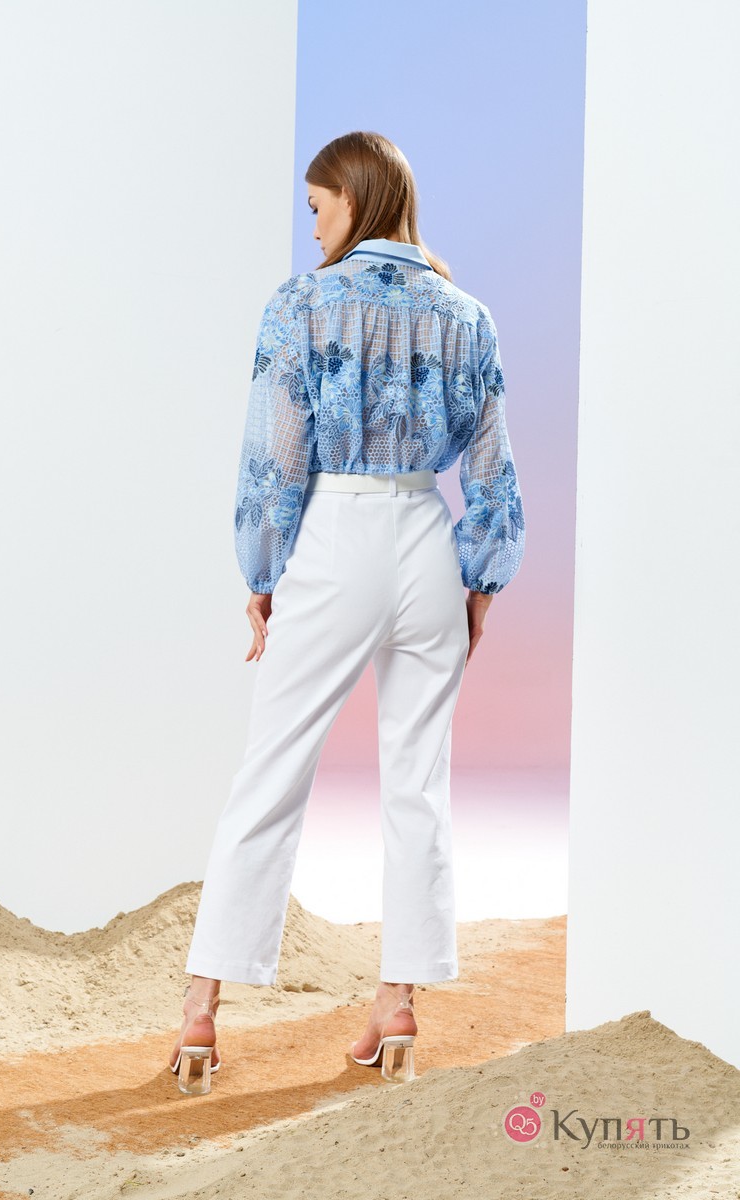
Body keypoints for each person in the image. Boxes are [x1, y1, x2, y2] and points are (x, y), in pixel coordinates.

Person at [170, 130, 525, 1093]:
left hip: (336, 533)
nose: (314, 226)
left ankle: (202, 1010)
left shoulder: (302, 303)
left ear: (354, 200)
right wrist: (480, 583)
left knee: (272, 771)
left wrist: (261, 574)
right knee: (419, 781)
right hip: (426, 539)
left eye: (318, 206)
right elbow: (492, 469)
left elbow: (275, 456)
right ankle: (398, 1002)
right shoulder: (469, 315)